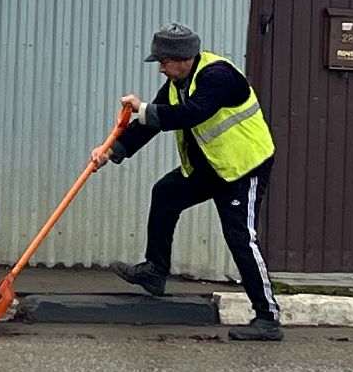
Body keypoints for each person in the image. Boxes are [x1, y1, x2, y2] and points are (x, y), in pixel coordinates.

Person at [93, 22, 282, 341]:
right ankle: (155, 271)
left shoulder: (218, 76)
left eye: (164, 62)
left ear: (184, 59)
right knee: (165, 193)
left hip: (243, 168)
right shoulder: (175, 83)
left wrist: (143, 108)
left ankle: (267, 318)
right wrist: (111, 151)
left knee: (240, 236)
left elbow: (191, 113)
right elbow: (149, 124)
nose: (161, 69)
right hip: (209, 167)